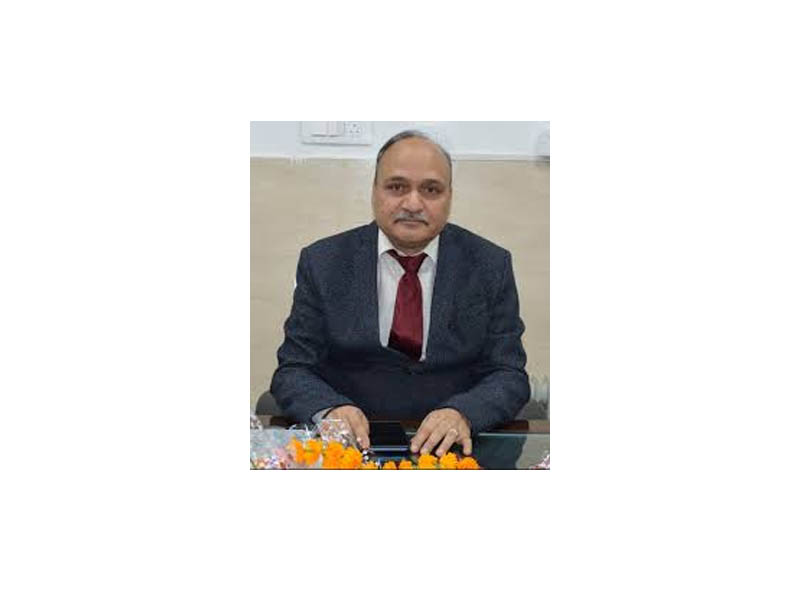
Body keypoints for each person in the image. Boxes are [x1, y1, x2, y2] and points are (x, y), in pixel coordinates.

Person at [259, 130, 530, 458]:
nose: (413, 204)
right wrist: (330, 410)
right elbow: (294, 369)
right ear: (374, 191)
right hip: (350, 449)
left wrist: (464, 413)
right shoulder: (324, 262)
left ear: (449, 196)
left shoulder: (489, 264)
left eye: (431, 189)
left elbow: (508, 374)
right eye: (397, 187)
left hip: (453, 449)